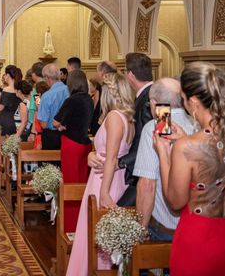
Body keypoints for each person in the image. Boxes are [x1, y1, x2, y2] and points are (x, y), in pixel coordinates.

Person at [154, 63, 225, 275]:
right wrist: (186, 140)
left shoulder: (186, 147)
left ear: (194, 102)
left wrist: (162, 153)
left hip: (199, 242)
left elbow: (175, 201)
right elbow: (223, 157)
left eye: (184, 99)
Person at [66, 72, 135, 276]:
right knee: (104, 233)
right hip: (113, 176)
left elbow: (112, 156)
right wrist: (93, 155)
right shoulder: (127, 117)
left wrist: (104, 192)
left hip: (106, 181)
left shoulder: (114, 117)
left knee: (98, 230)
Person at [133, 78, 195, 242]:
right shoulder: (197, 124)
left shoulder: (159, 125)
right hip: (195, 225)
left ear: (153, 103)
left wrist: (140, 231)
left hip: (165, 231)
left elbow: (147, 185)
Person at [53, 70, 94, 233]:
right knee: (82, 183)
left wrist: (61, 126)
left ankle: (70, 226)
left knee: (70, 184)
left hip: (71, 144)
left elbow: (56, 121)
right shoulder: (89, 100)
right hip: (85, 144)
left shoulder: (71, 100)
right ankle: (84, 223)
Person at [117, 52, 154, 206]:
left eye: (125, 71)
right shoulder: (148, 94)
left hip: (144, 171)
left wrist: (122, 162)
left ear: (130, 74)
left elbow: (152, 138)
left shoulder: (150, 98)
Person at [37, 64, 69, 150]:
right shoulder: (69, 90)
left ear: (47, 78)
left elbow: (44, 124)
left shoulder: (47, 96)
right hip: (68, 134)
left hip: (51, 137)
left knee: (49, 163)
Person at [0, 65, 22, 136]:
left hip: (7, 119)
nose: (4, 77)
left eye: (5, 75)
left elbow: (0, 107)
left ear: (8, 75)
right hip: (18, 119)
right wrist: (1, 95)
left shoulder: (6, 89)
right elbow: (12, 101)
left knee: (5, 142)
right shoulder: (19, 88)